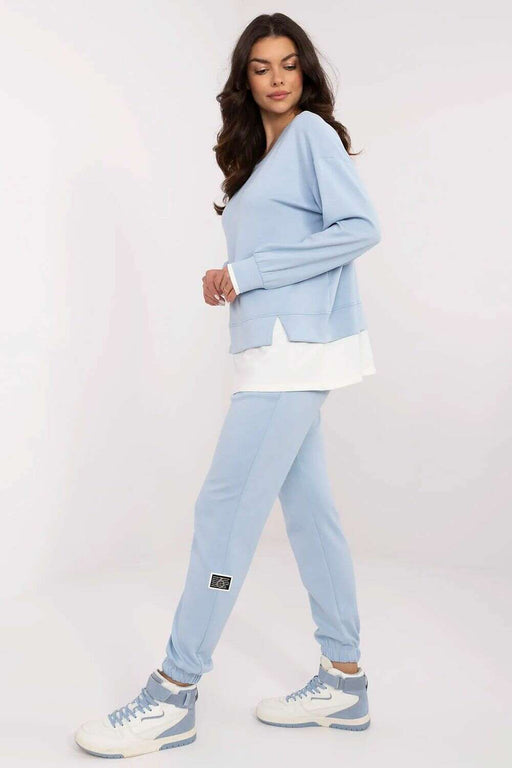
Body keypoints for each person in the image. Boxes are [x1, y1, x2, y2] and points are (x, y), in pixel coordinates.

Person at [74, 12, 381, 759]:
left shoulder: (310, 136)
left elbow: (359, 227)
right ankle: (344, 680)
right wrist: (233, 280)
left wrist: (248, 272)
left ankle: (173, 692)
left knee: (224, 512)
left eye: (289, 65)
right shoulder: (256, 159)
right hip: (271, 351)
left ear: (306, 72)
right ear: (245, 79)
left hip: (292, 354)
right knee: (310, 515)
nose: (277, 79)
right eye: (261, 67)